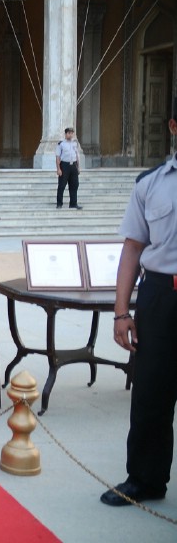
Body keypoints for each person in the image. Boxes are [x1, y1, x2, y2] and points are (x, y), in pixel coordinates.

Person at [101, 98, 177, 507]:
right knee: (151, 391)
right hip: (161, 294)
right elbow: (132, 248)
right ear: (172, 126)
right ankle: (145, 479)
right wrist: (120, 312)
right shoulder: (151, 184)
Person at [55, 127, 82, 209]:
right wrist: (58, 169)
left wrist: (78, 167)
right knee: (62, 185)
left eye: (72, 133)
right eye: (69, 133)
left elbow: (77, 155)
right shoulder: (61, 144)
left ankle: (73, 203)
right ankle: (59, 203)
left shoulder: (74, 143)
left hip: (73, 165)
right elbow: (58, 157)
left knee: (74, 185)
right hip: (64, 165)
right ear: (66, 134)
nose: (70, 135)